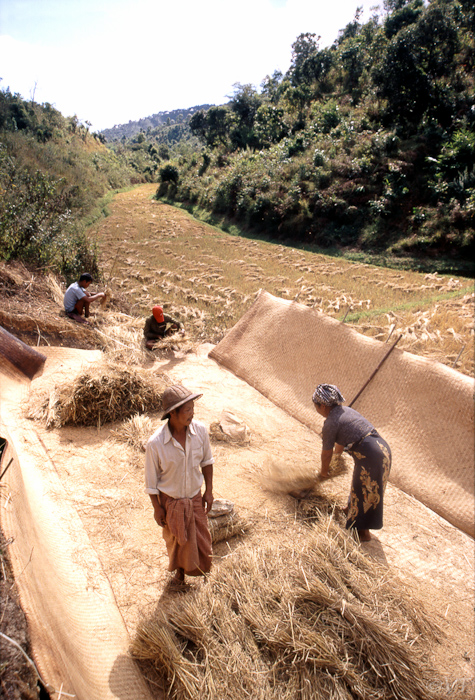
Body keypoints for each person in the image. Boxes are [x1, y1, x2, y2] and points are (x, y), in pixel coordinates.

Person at [145, 385, 214, 587]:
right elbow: (151, 482)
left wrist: (208, 491)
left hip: (195, 497)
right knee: (177, 541)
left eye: (192, 409)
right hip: (171, 503)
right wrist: (157, 507)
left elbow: (207, 462)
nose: (192, 414)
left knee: (201, 539)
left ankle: (203, 574)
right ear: (172, 413)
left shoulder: (200, 431)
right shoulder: (156, 444)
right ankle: (179, 576)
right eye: (187, 410)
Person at [312, 383, 391, 542]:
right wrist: (337, 458)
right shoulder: (345, 411)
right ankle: (349, 509)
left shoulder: (330, 423)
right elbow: (340, 442)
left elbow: (326, 453)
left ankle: (362, 533)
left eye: (315, 405)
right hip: (382, 450)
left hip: (370, 454)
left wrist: (324, 472)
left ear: (322, 405)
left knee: (367, 490)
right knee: (361, 485)